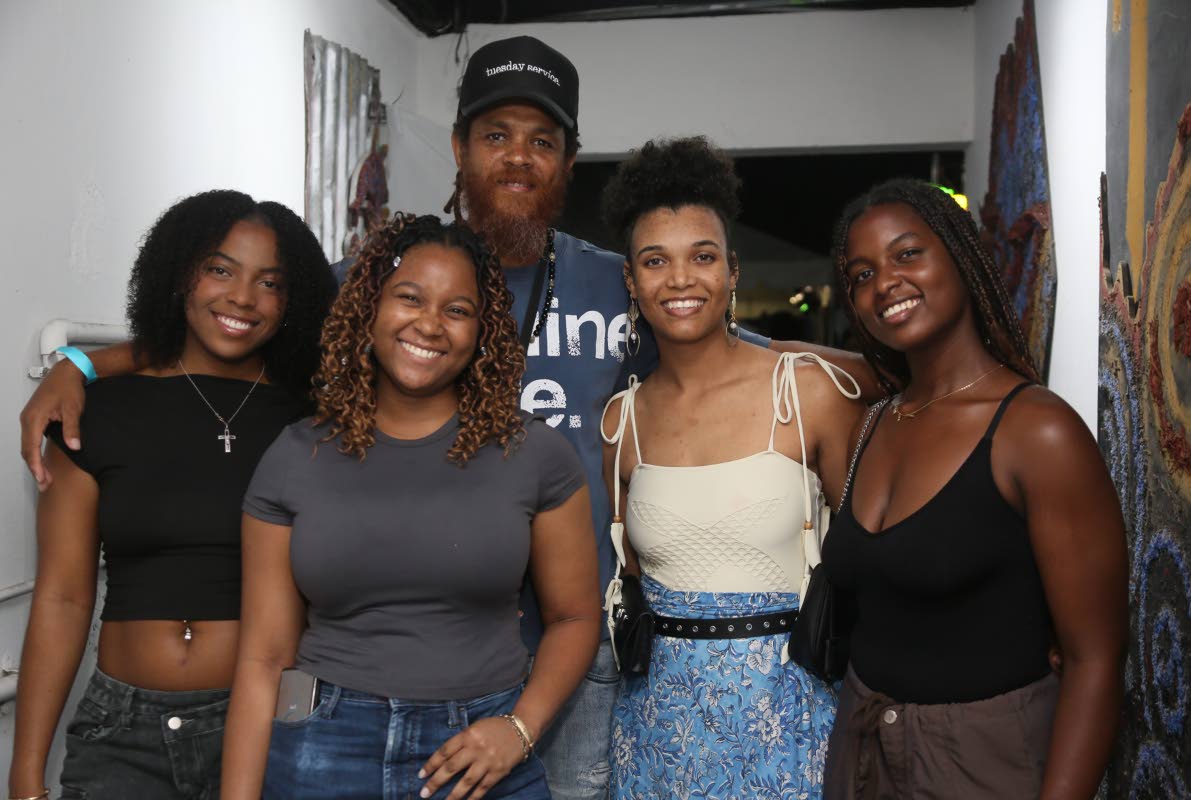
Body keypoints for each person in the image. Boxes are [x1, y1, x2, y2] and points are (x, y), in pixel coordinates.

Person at [18, 36, 878, 797]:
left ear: (568, 161)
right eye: (496, 135)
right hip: (383, 647)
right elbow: (240, 327)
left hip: (579, 648)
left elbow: (719, 340)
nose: (517, 158)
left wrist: (878, 370)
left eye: (542, 142)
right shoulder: (373, 277)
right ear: (460, 147)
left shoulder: (625, 280)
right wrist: (89, 361)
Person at [219, 214, 600, 800]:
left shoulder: (534, 455)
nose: (430, 324)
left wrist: (519, 730)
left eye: (457, 309)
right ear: (369, 307)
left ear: (483, 332)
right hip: (326, 748)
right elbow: (264, 658)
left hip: (481, 753)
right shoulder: (296, 456)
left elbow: (574, 619)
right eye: (409, 298)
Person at [7, 190, 336, 800]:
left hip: (267, 727)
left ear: (292, 302)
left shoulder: (313, 419)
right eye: (219, 269)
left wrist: (79, 359)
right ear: (179, 272)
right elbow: (62, 597)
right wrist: (26, 774)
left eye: (270, 283)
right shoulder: (96, 411)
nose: (242, 297)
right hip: (122, 735)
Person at [820, 179, 1127, 799]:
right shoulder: (872, 424)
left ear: (959, 255)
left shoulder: (1036, 432)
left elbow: (1095, 662)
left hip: (985, 763)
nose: (885, 283)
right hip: (862, 753)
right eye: (862, 274)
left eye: (908, 254)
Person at [599, 137, 864, 797]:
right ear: (631, 281)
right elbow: (629, 580)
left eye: (703, 256)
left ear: (734, 270)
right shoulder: (621, 422)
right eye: (655, 261)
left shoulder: (806, 394)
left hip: (792, 723)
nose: (681, 280)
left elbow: (872, 563)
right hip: (657, 733)